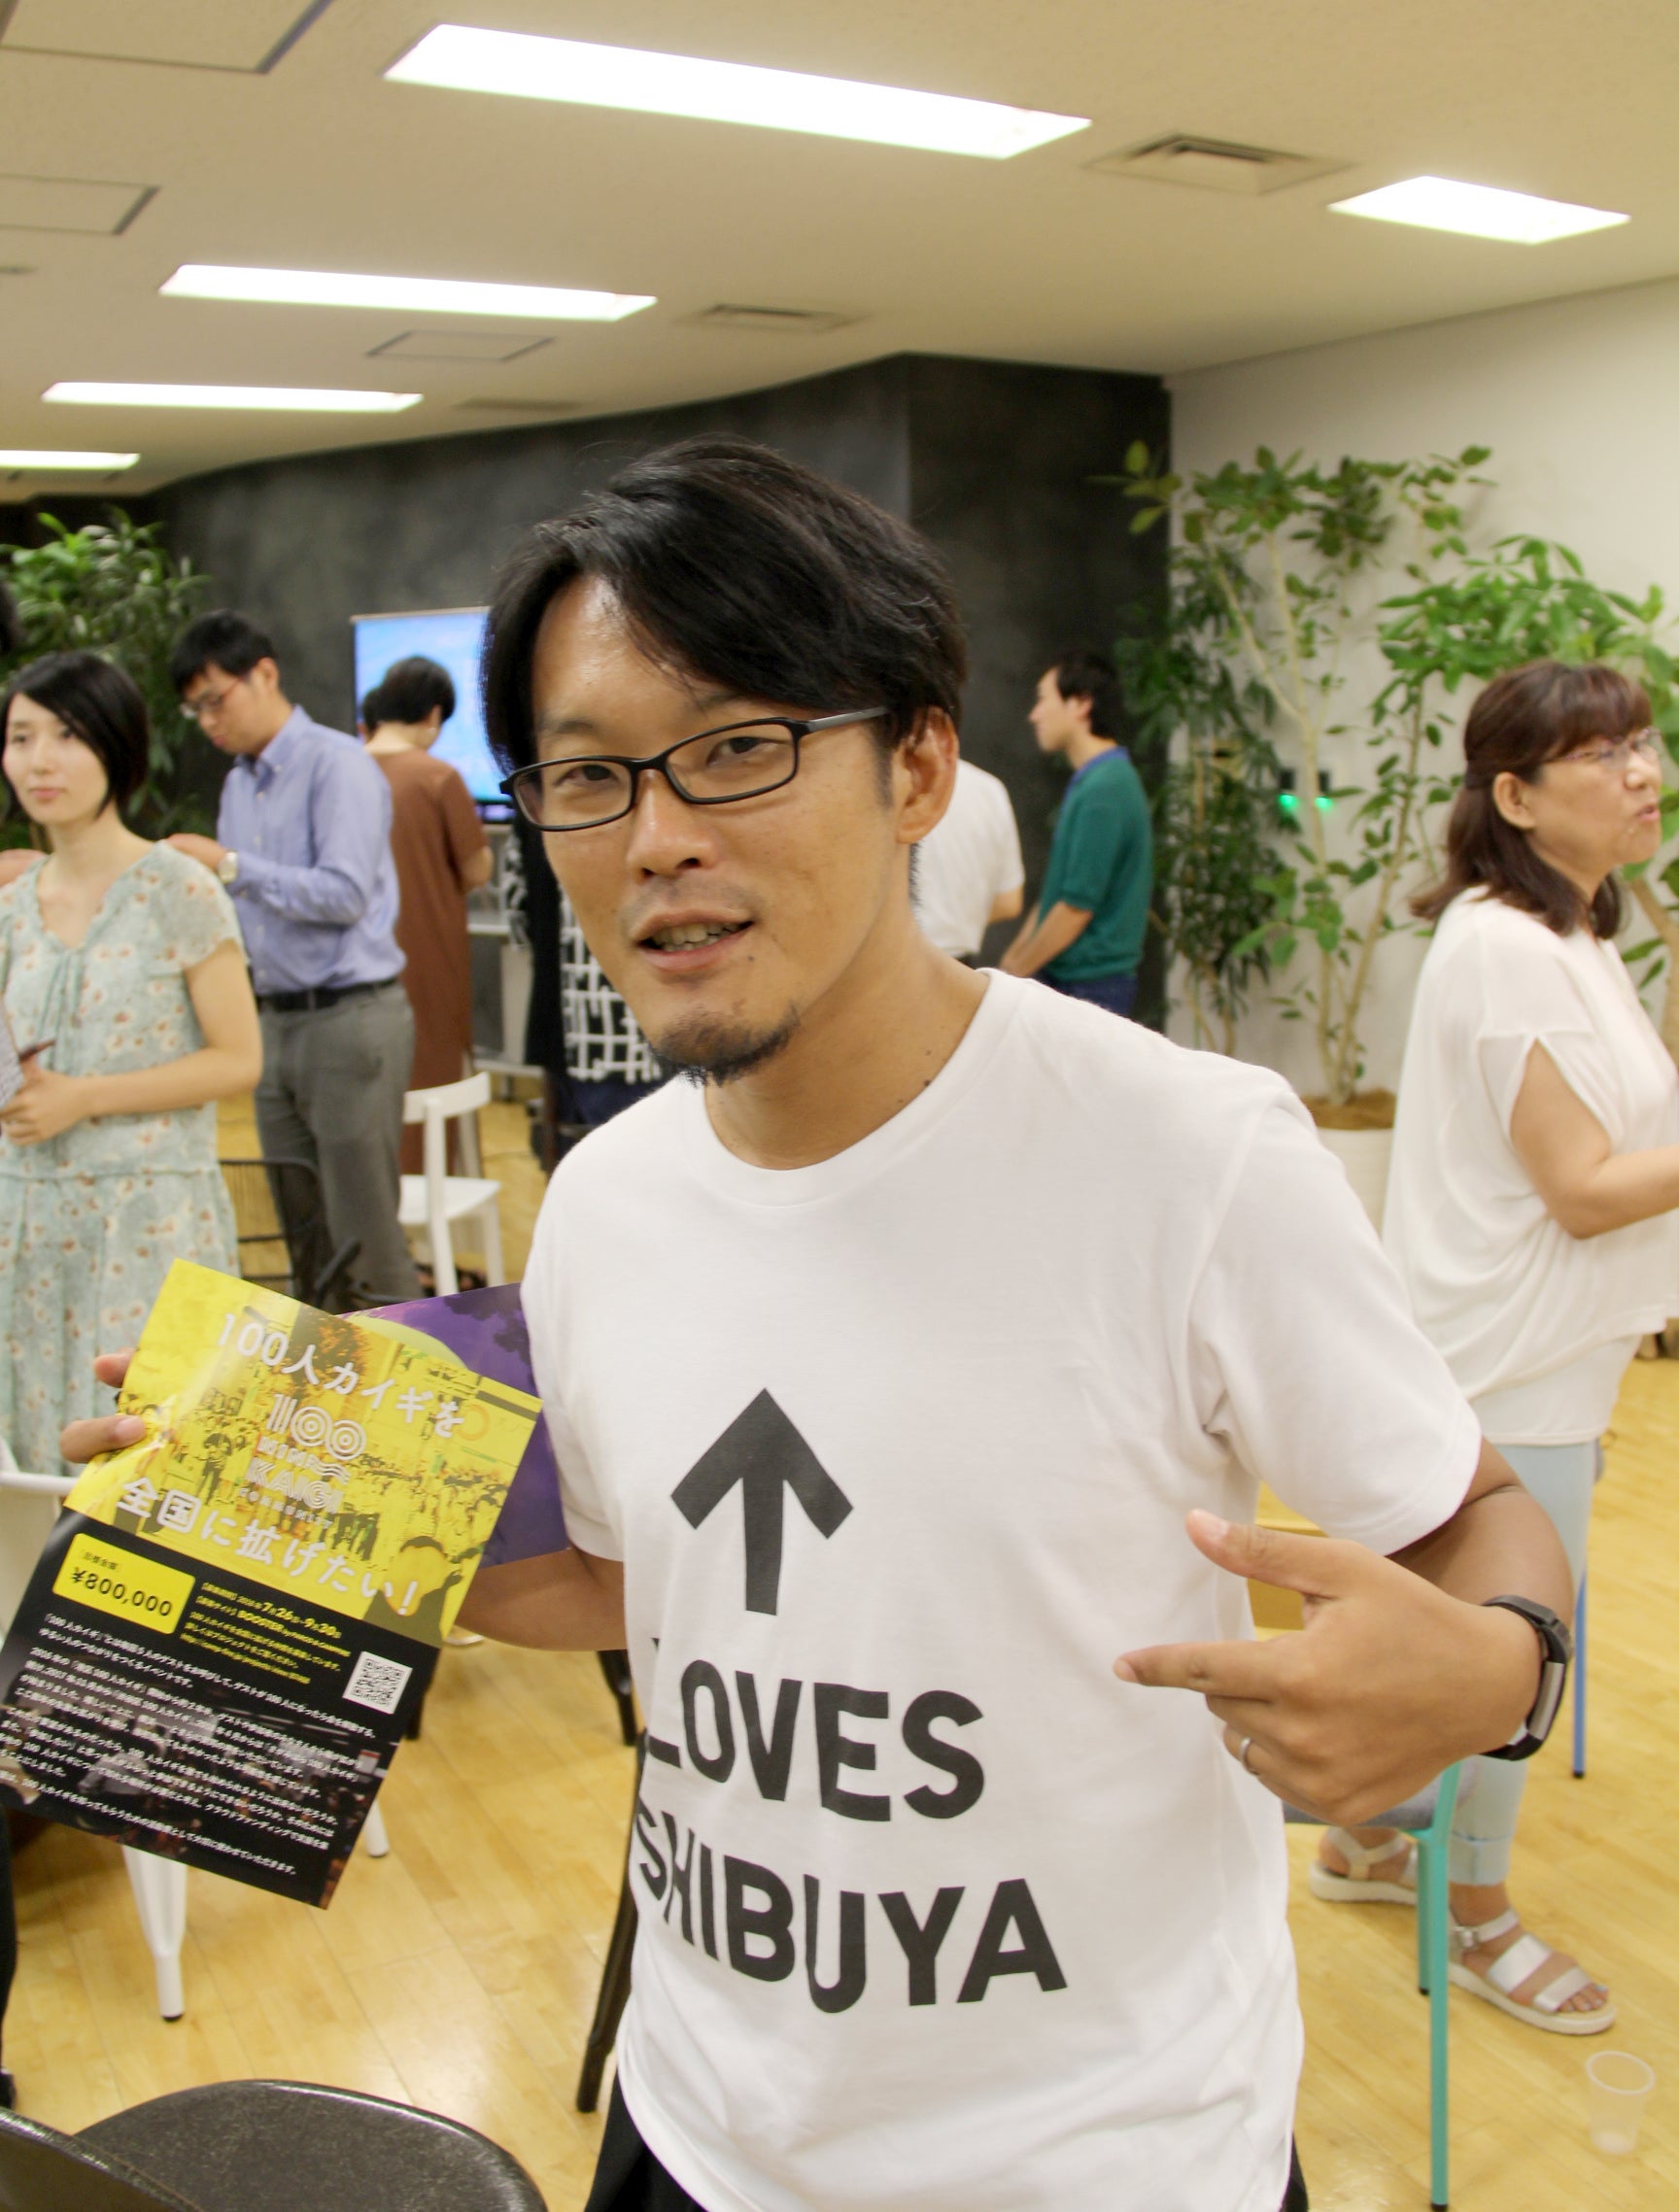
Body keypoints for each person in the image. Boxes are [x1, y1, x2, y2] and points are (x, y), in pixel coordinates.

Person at [70, 442, 1573, 2212]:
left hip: (1100, 2165)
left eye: (736, 748)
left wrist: (1497, 1670)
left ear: (916, 765)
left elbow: (1478, 1512)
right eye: (586, 777)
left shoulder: (1188, 1155)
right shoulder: (609, 1199)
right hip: (697, 2125)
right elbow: (642, 1574)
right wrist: (299, 1512)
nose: (657, 838)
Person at [1316, 661, 1676, 2035]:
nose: (1643, 771)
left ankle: (1362, 1843)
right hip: (1507, 1367)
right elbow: (1583, 1187)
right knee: (1519, 1651)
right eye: (1604, 753)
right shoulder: (1513, 948)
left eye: (1644, 742)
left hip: (1535, 1353)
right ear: (1516, 797)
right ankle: (1476, 1917)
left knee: (1467, 1630)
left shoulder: (1571, 928)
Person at [1, 651, 259, 1476]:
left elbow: (238, 1060)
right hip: (25, 1223)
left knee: (150, 1463)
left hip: (149, 1218)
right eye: (21, 737)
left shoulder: (178, 888)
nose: (39, 761)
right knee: (36, 1461)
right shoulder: (12, 906)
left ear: (116, 746)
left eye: (67, 735)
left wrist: (84, 1096)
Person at [167, 610, 420, 1306]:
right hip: (271, 1024)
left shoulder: (338, 763)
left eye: (215, 700)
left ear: (265, 674)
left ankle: (411, 1370)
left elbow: (344, 895)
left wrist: (229, 865)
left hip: (349, 1018)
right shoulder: (238, 784)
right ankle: (324, 1374)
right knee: (303, 1237)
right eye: (195, 710)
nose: (208, 722)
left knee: (365, 1238)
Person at [360, 656, 493, 1172]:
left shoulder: (341, 772)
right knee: (433, 1075)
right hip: (427, 958)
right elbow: (477, 868)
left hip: (353, 968)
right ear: (434, 714)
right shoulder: (438, 778)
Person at [1000, 648, 1151, 1015]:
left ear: (1081, 704)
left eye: (1043, 699)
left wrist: (1014, 976)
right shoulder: (1096, 781)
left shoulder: (1106, 789)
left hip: (1089, 987)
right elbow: (1058, 897)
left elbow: (1075, 909)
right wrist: (1010, 965)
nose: (1034, 714)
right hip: (1071, 980)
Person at [911, 755, 1024, 961]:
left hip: (892, 961)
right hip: (960, 963)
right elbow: (1008, 901)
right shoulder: (989, 789)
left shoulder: (877, 782)